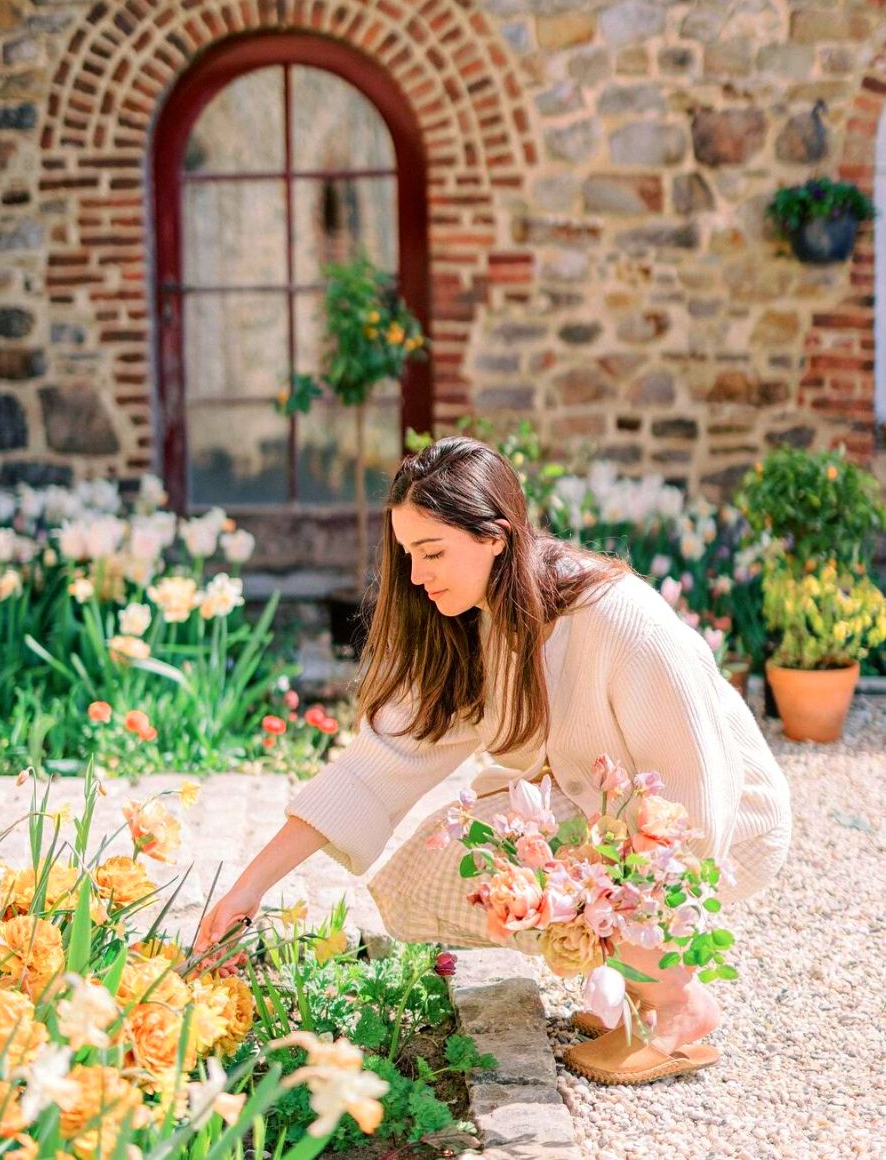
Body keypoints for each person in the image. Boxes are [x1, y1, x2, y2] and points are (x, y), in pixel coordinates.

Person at [195, 437, 792, 1084]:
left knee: (532, 860)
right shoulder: (471, 625)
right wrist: (246, 890)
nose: (418, 576)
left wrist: (625, 916)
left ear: (496, 537)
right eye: (407, 556)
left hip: (726, 826)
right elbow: (376, 764)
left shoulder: (622, 620)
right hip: (612, 818)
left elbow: (694, 798)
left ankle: (678, 1005)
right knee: (449, 864)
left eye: (432, 552)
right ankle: (641, 980)